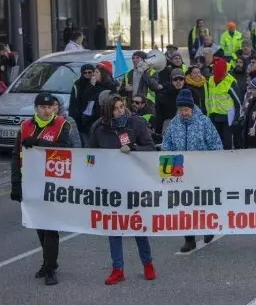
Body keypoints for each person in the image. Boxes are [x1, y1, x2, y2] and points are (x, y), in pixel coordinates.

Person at [87, 94, 157, 285]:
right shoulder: (99, 128)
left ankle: (148, 264)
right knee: (114, 228)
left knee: (137, 225)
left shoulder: (136, 123)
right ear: (108, 111)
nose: (120, 110)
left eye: (121, 106)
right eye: (116, 108)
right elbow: (90, 156)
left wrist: (133, 149)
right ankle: (118, 269)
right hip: (111, 186)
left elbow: (150, 148)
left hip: (133, 184)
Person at [10, 92, 74, 286]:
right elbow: (15, 155)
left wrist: (39, 143)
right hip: (31, 182)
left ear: (54, 108)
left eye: (50, 107)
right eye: (43, 107)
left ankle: (50, 268)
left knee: (51, 227)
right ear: (36, 108)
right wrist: (16, 184)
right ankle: (47, 263)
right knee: (38, 224)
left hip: (53, 183)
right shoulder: (25, 126)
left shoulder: (62, 124)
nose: (47, 111)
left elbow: (64, 149)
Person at [162, 89, 223, 252]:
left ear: (192, 108)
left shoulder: (204, 122)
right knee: (184, 205)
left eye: (186, 109)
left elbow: (216, 144)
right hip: (180, 170)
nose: (183, 113)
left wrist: (214, 164)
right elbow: (166, 144)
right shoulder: (174, 123)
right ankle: (189, 239)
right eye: (181, 110)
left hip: (202, 170)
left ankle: (208, 228)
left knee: (204, 202)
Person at [206, 57, 241, 149]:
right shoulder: (210, 80)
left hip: (227, 119)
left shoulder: (231, 83)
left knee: (227, 145)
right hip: (213, 117)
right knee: (215, 144)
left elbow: (238, 103)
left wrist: (236, 119)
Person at [69, 64, 95, 129]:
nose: (87, 74)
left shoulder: (97, 83)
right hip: (80, 116)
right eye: (85, 72)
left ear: (93, 72)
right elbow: (73, 101)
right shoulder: (77, 84)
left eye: (89, 72)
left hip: (93, 116)